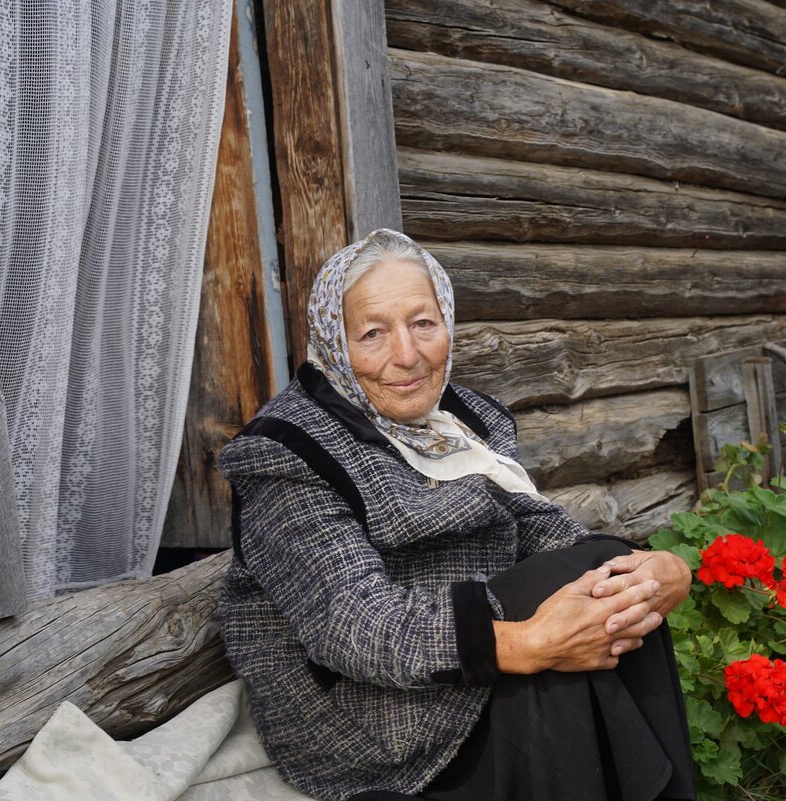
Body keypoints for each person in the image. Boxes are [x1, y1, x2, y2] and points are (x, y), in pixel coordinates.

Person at [217, 229, 696, 801]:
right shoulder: (286, 453)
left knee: (609, 572)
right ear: (334, 342)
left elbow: (541, 528)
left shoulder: (466, 419)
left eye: (423, 323)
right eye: (373, 333)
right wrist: (528, 642)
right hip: (368, 720)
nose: (407, 355)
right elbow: (356, 627)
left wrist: (653, 568)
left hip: (478, 654)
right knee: (567, 621)